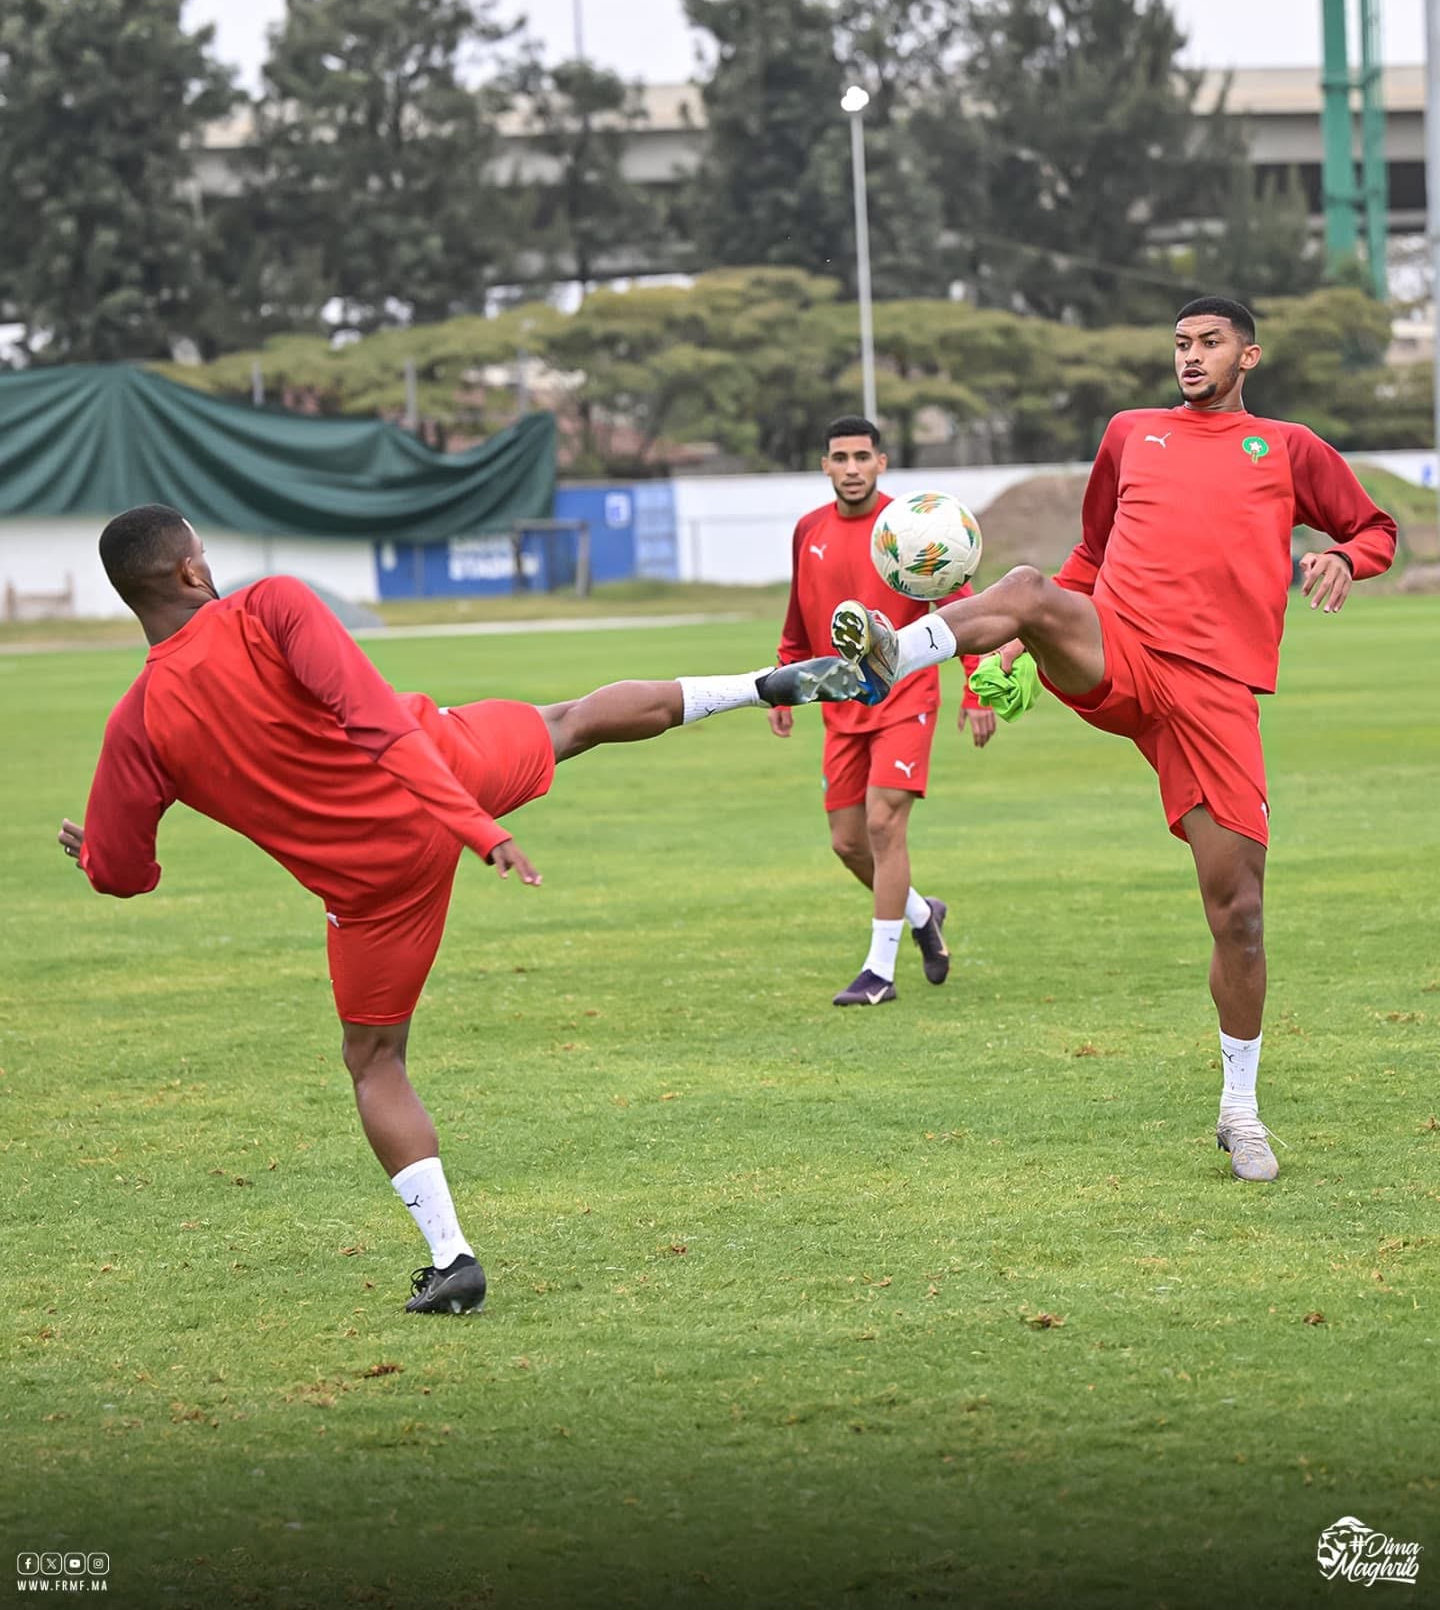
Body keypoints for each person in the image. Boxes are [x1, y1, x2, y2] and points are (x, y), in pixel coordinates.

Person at [58, 505, 863, 1314]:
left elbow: (124, 875)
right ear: (193, 572)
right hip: (446, 777)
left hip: (372, 892)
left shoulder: (138, 724)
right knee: (571, 721)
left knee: (375, 1064)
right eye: (203, 550)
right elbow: (372, 718)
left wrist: (94, 850)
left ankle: (452, 1259)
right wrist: (473, 823)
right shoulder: (270, 605)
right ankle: (765, 686)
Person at [826, 299, 1397, 1180]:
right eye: (1180, 343)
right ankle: (898, 652)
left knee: (1238, 913)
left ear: (1250, 355)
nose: (1192, 356)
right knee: (1024, 583)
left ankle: (1239, 1112)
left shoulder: (1287, 447)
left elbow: (1376, 529)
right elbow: (1086, 556)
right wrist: (1021, 632)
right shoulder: (1131, 432)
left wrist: (1341, 558)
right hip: (1122, 651)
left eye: (1210, 343)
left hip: (1216, 695)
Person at [771, 415, 994, 1008]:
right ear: (825, 466)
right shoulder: (807, 530)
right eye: (839, 458)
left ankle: (879, 972)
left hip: (905, 699)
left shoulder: (909, 528)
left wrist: (975, 690)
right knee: (848, 844)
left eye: (861, 457)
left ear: (881, 463)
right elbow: (801, 613)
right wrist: (785, 677)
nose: (850, 469)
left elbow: (960, 610)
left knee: (882, 826)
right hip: (835, 699)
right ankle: (923, 913)